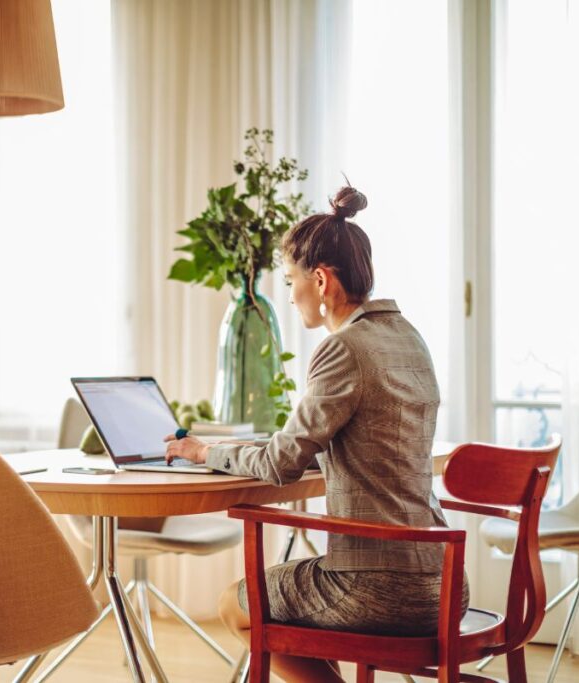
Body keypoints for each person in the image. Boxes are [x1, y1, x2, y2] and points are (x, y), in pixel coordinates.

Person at [164, 185, 468, 683]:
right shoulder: (407, 336)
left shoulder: (342, 349)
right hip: (444, 581)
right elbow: (335, 443)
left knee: (234, 604)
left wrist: (203, 451)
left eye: (290, 280)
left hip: (375, 584)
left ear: (321, 280)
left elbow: (280, 465)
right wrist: (259, 448)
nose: (289, 294)